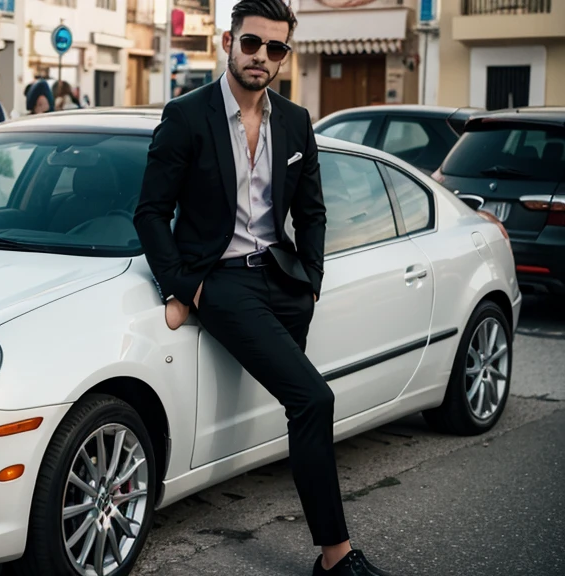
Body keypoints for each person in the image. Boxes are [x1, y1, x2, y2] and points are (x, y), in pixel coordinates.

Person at [132, 1, 394, 575]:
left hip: (283, 278)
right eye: (252, 44)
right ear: (229, 41)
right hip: (223, 283)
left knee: (301, 408)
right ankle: (336, 559)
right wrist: (186, 288)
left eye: (276, 49)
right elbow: (150, 213)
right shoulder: (186, 116)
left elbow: (313, 210)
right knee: (313, 399)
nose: (262, 58)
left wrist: (315, 280)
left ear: (284, 56)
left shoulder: (297, 122)